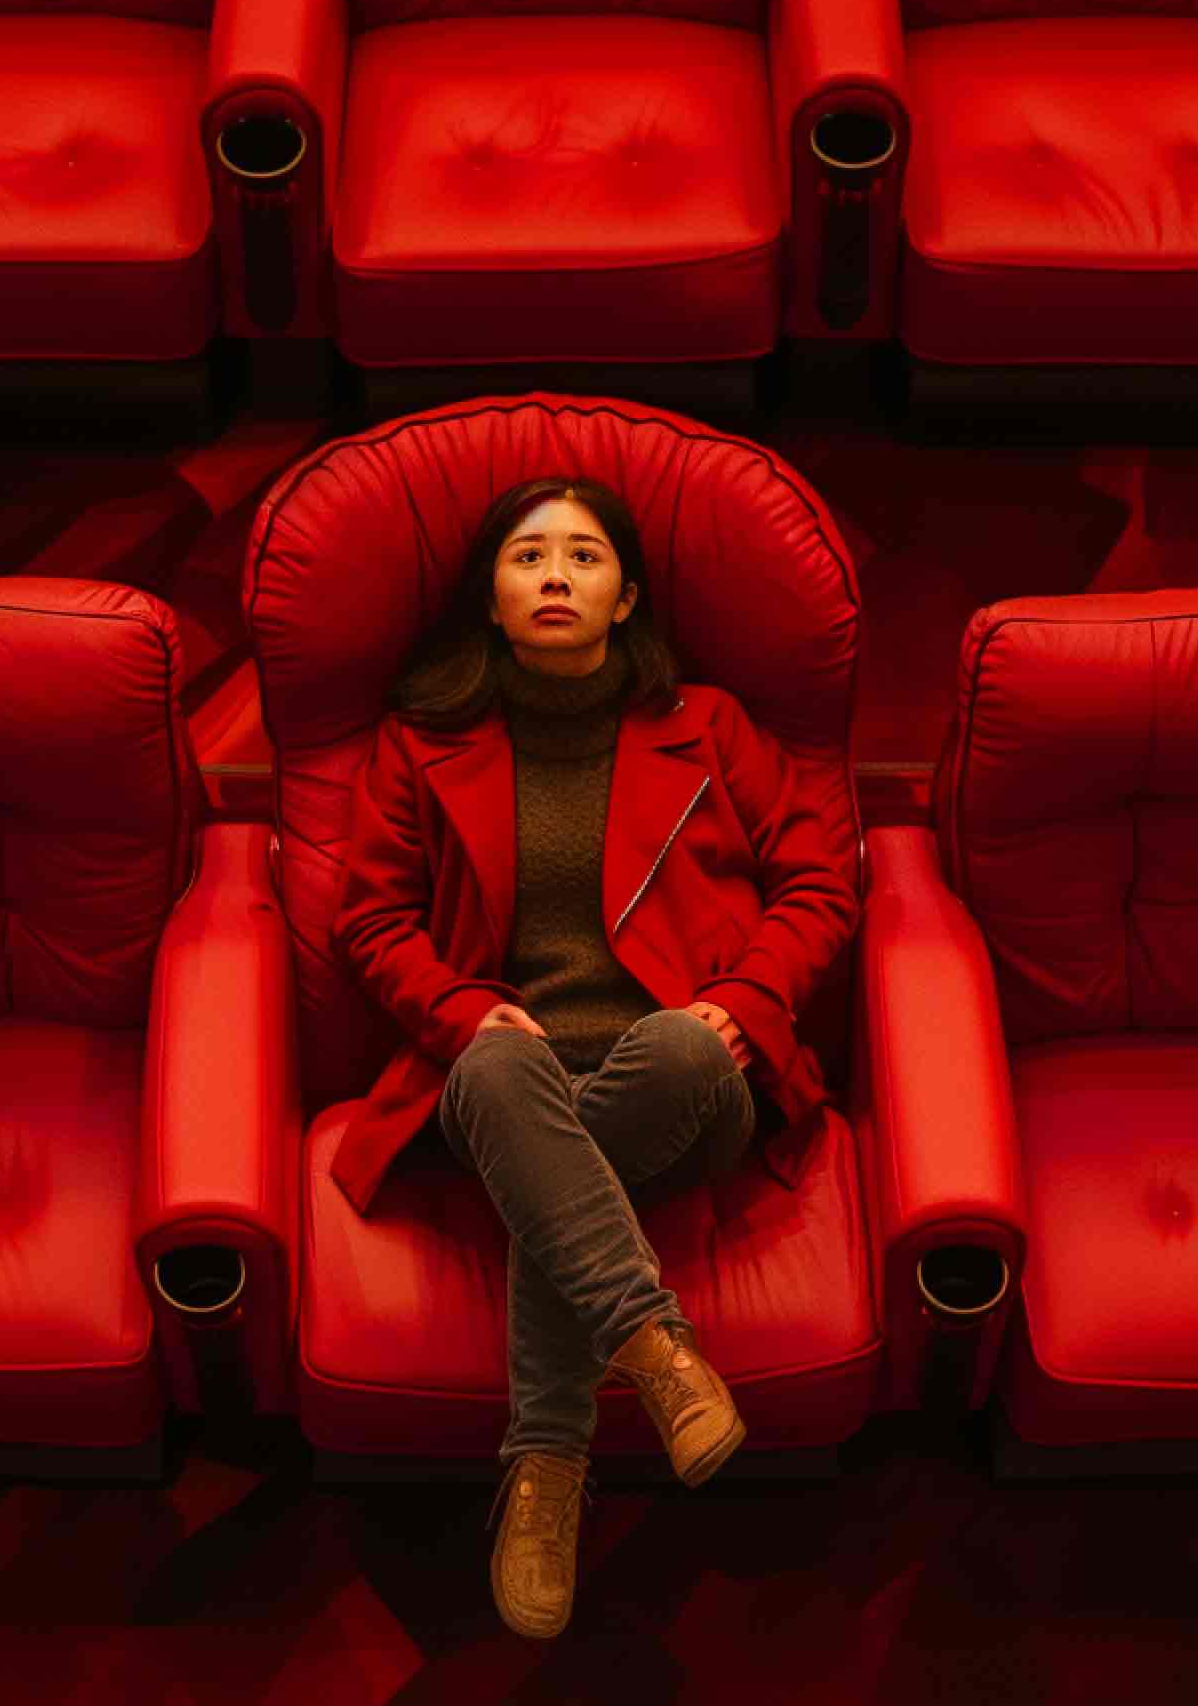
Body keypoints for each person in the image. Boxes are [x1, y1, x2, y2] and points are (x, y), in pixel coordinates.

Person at [329, 477, 859, 1640]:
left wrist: (745, 998)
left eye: (582, 557)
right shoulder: (421, 745)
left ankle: (543, 1458)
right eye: (527, 558)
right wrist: (460, 1010)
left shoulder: (711, 727)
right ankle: (647, 1352)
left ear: (625, 598)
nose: (555, 575)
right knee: (505, 1077)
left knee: (670, 1050)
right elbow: (369, 923)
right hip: (500, 1079)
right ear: (491, 599)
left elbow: (819, 882)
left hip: (680, 1068)